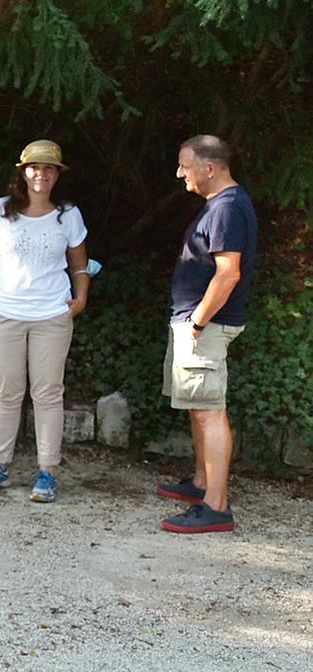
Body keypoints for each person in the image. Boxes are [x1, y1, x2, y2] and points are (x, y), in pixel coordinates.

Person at [0, 139, 89, 503]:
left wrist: (80, 299)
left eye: (49, 168)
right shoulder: (0, 210)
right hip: (4, 314)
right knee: (6, 392)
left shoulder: (68, 215)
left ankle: (48, 472)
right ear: (23, 172)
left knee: (48, 394)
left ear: (57, 175)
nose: (42, 173)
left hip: (51, 315)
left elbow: (79, 263)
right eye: (35, 167)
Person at [157, 135, 256, 534]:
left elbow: (228, 272)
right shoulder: (221, 206)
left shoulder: (227, 208)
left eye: (185, 165)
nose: (180, 173)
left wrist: (197, 321)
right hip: (197, 322)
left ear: (209, 168)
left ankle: (216, 506)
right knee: (198, 407)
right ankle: (201, 485)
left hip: (207, 325)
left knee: (209, 409)